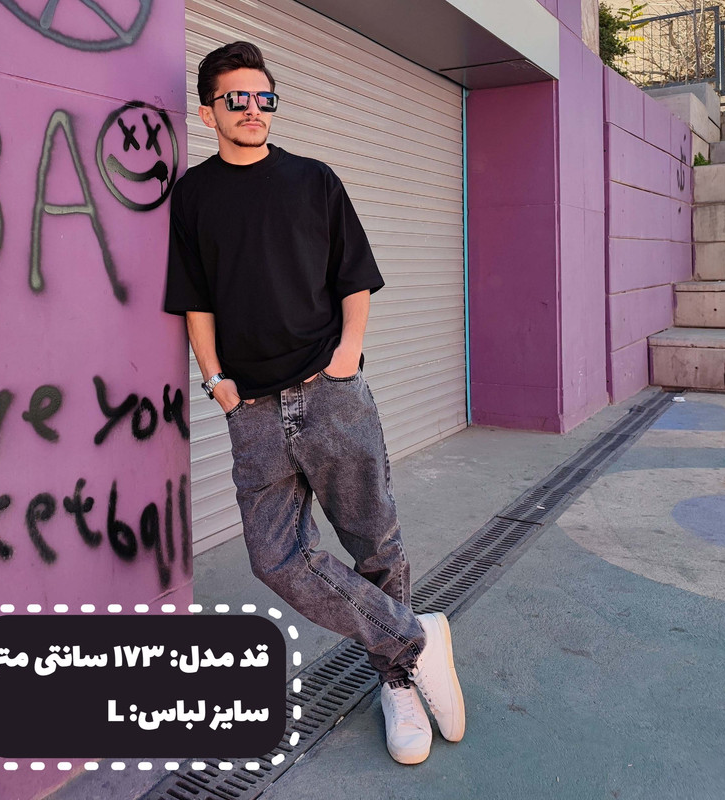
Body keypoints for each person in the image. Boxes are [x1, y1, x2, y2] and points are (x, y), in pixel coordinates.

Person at [164, 40, 464, 764]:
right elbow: (195, 300)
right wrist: (216, 381)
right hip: (252, 410)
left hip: (330, 395)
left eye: (263, 97)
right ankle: (416, 638)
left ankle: (397, 682)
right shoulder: (194, 195)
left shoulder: (313, 179)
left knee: (374, 541)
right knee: (275, 558)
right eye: (236, 99)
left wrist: (346, 356)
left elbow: (354, 277)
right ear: (208, 113)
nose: (253, 110)